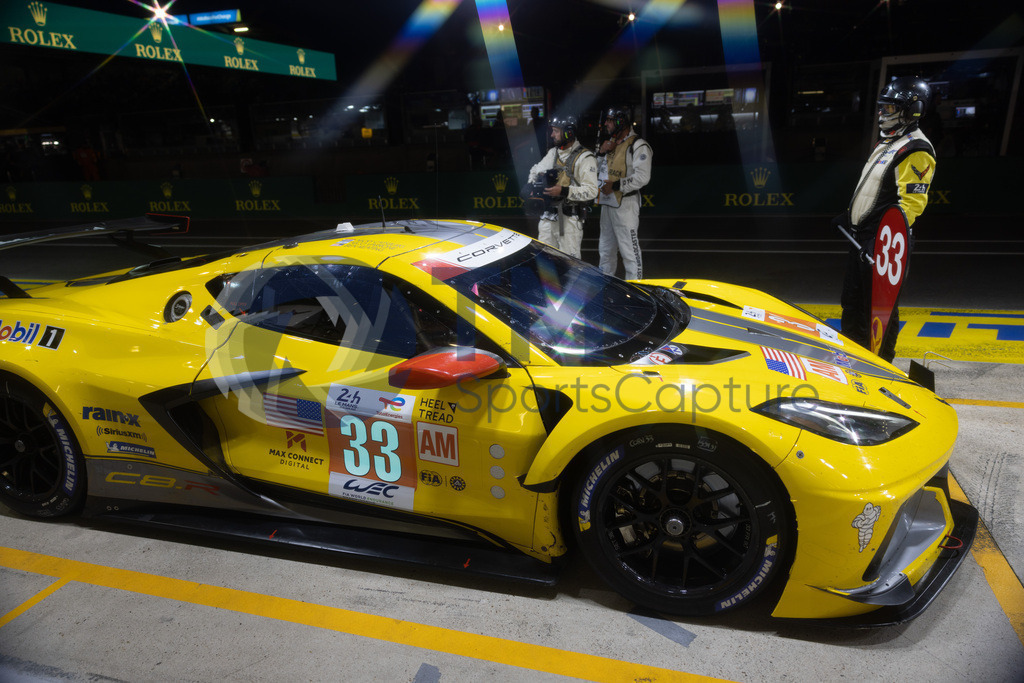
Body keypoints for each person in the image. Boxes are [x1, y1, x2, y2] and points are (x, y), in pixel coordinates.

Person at [835, 76, 936, 362]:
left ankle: (880, 367)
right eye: (883, 108)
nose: (882, 113)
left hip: (883, 243)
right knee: (852, 304)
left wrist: (882, 244)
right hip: (862, 237)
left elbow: (913, 203)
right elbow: (873, 190)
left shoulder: (916, 149)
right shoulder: (890, 141)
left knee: (879, 311)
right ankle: (853, 363)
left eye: (890, 108)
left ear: (911, 110)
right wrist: (850, 216)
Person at [526, 114, 598, 258]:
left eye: (556, 131)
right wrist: (532, 184)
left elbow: (592, 191)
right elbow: (535, 170)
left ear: (568, 132)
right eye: (552, 131)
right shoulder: (553, 153)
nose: (552, 135)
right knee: (545, 264)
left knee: (570, 267)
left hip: (569, 221)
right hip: (547, 218)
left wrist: (564, 190)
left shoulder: (585, 158)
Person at [595, 106, 652, 280]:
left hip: (626, 204)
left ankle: (637, 289)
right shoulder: (610, 143)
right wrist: (600, 152)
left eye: (610, 120)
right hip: (607, 203)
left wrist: (617, 185)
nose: (606, 124)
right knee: (605, 250)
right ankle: (604, 288)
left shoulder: (638, 145)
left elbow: (643, 177)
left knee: (630, 252)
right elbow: (596, 170)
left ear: (621, 122)